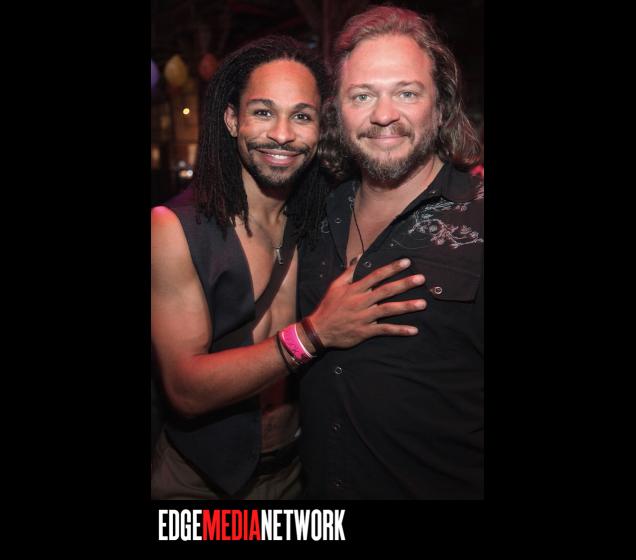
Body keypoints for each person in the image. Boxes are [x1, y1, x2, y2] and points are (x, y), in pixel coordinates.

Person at [150, 35, 428, 500]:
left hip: (302, 471)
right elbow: (186, 391)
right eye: (263, 112)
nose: (282, 134)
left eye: (301, 116)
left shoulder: (325, 216)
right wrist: (315, 333)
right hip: (200, 482)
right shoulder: (174, 229)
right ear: (232, 120)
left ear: (321, 127)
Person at [297, 6, 484, 499]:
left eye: (406, 93)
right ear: (336, 112)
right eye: (362, 95)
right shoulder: (313, 213)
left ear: (440, 105)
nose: (383, 115)